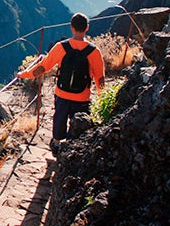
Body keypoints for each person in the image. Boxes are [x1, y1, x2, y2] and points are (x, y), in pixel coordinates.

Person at [18, 13, 105, 156]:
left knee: (60, 118)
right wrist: (102, 98)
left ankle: (57, 143)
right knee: (78, 121)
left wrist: (24, 74)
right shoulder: (94, 52)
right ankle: (73, 148)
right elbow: (99, 78)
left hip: (62, 93)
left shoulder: (61, 47)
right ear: (87, 28)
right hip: (82, 96)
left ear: (71, 27)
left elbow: (43, 67)